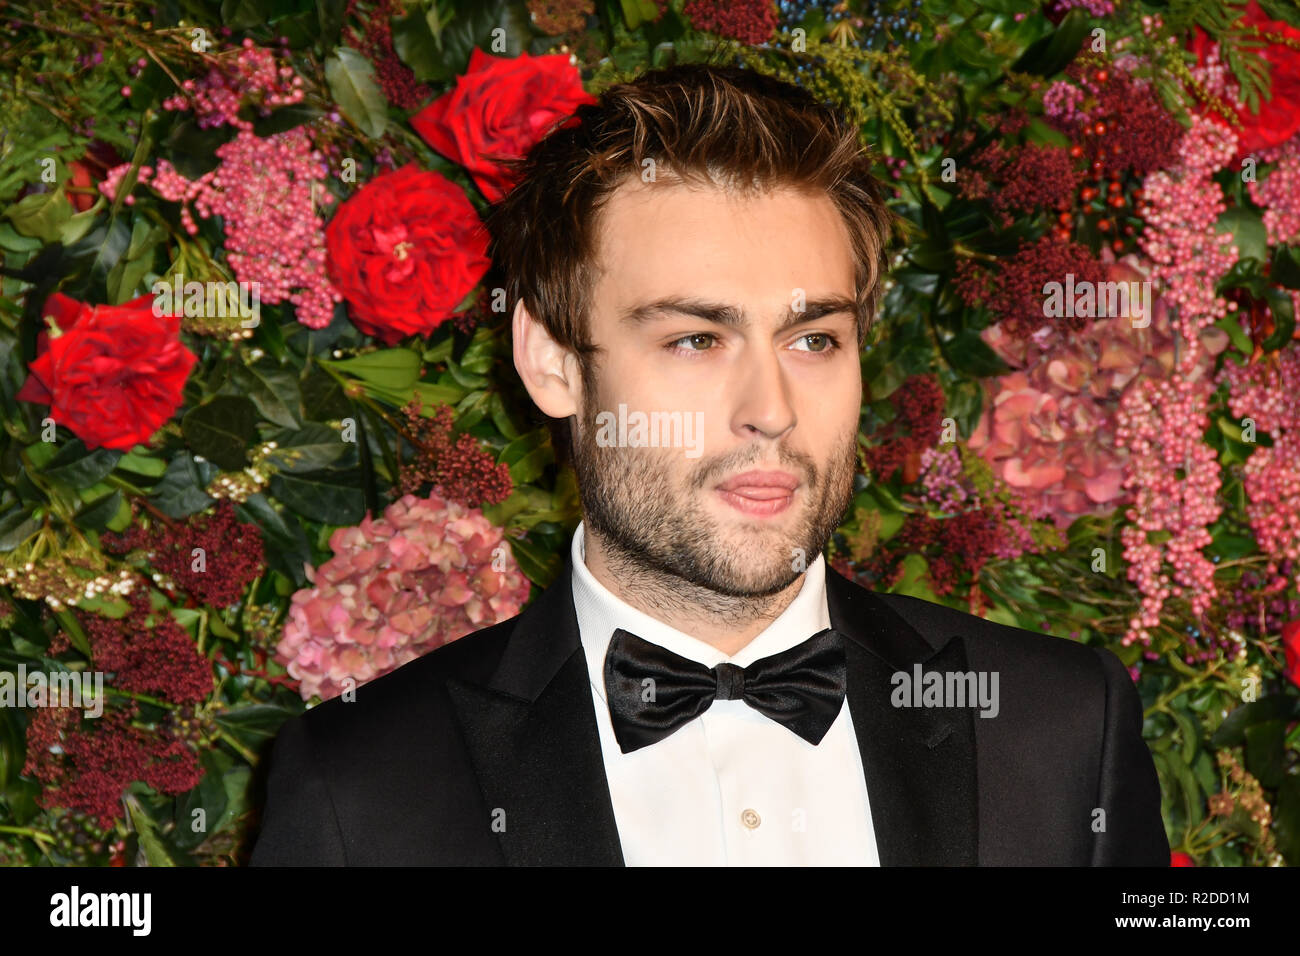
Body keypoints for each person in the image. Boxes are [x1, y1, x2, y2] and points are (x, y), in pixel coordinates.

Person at [250, 63, 1169, 866]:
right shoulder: (358, 791)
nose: (769, 411)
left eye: (814, 340)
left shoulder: (1059, 729)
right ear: (553, 363)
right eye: (696, 339)